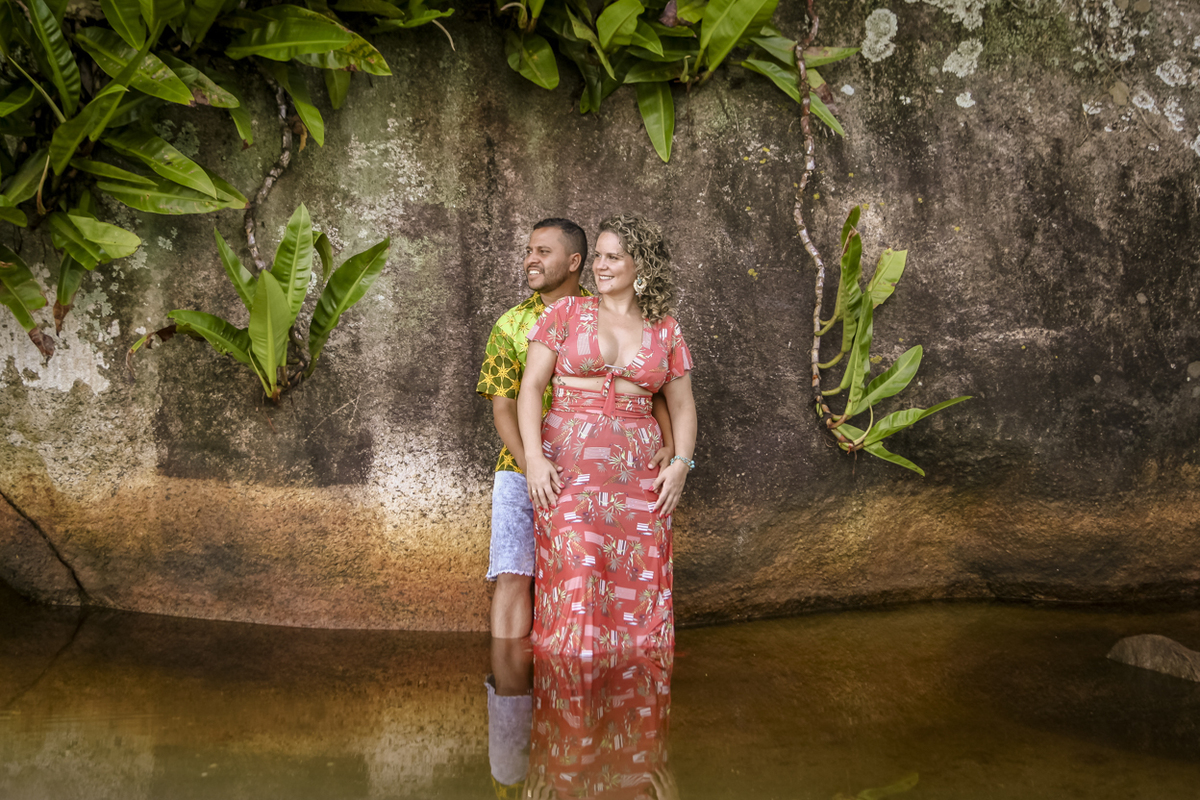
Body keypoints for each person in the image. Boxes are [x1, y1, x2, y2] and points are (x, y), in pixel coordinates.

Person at [477, 219, 674, 639]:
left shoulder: (603, 308)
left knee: (591, 570)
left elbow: (651, 387)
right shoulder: (509, 324)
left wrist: (673, 449)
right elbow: (504, 406)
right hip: (521, 464)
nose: (531, 259)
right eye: (529, 250)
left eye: (542, 252)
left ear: (574, 261)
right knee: (515, 572)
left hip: (597, 473)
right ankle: (511, 697)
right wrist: (532, 461)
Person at [518, 214, 697, 656]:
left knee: (637, 582)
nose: (600, 265)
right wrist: (535, 459)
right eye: (597, 255)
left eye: (613, 257)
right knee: (575, 571)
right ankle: (571, 700)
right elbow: (530, 389)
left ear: (642, 266)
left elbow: (682, 405)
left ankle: (632, 703)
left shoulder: (666, 328)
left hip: (639, 476)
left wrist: (681, 465)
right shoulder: (565, 313)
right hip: (567, 468)